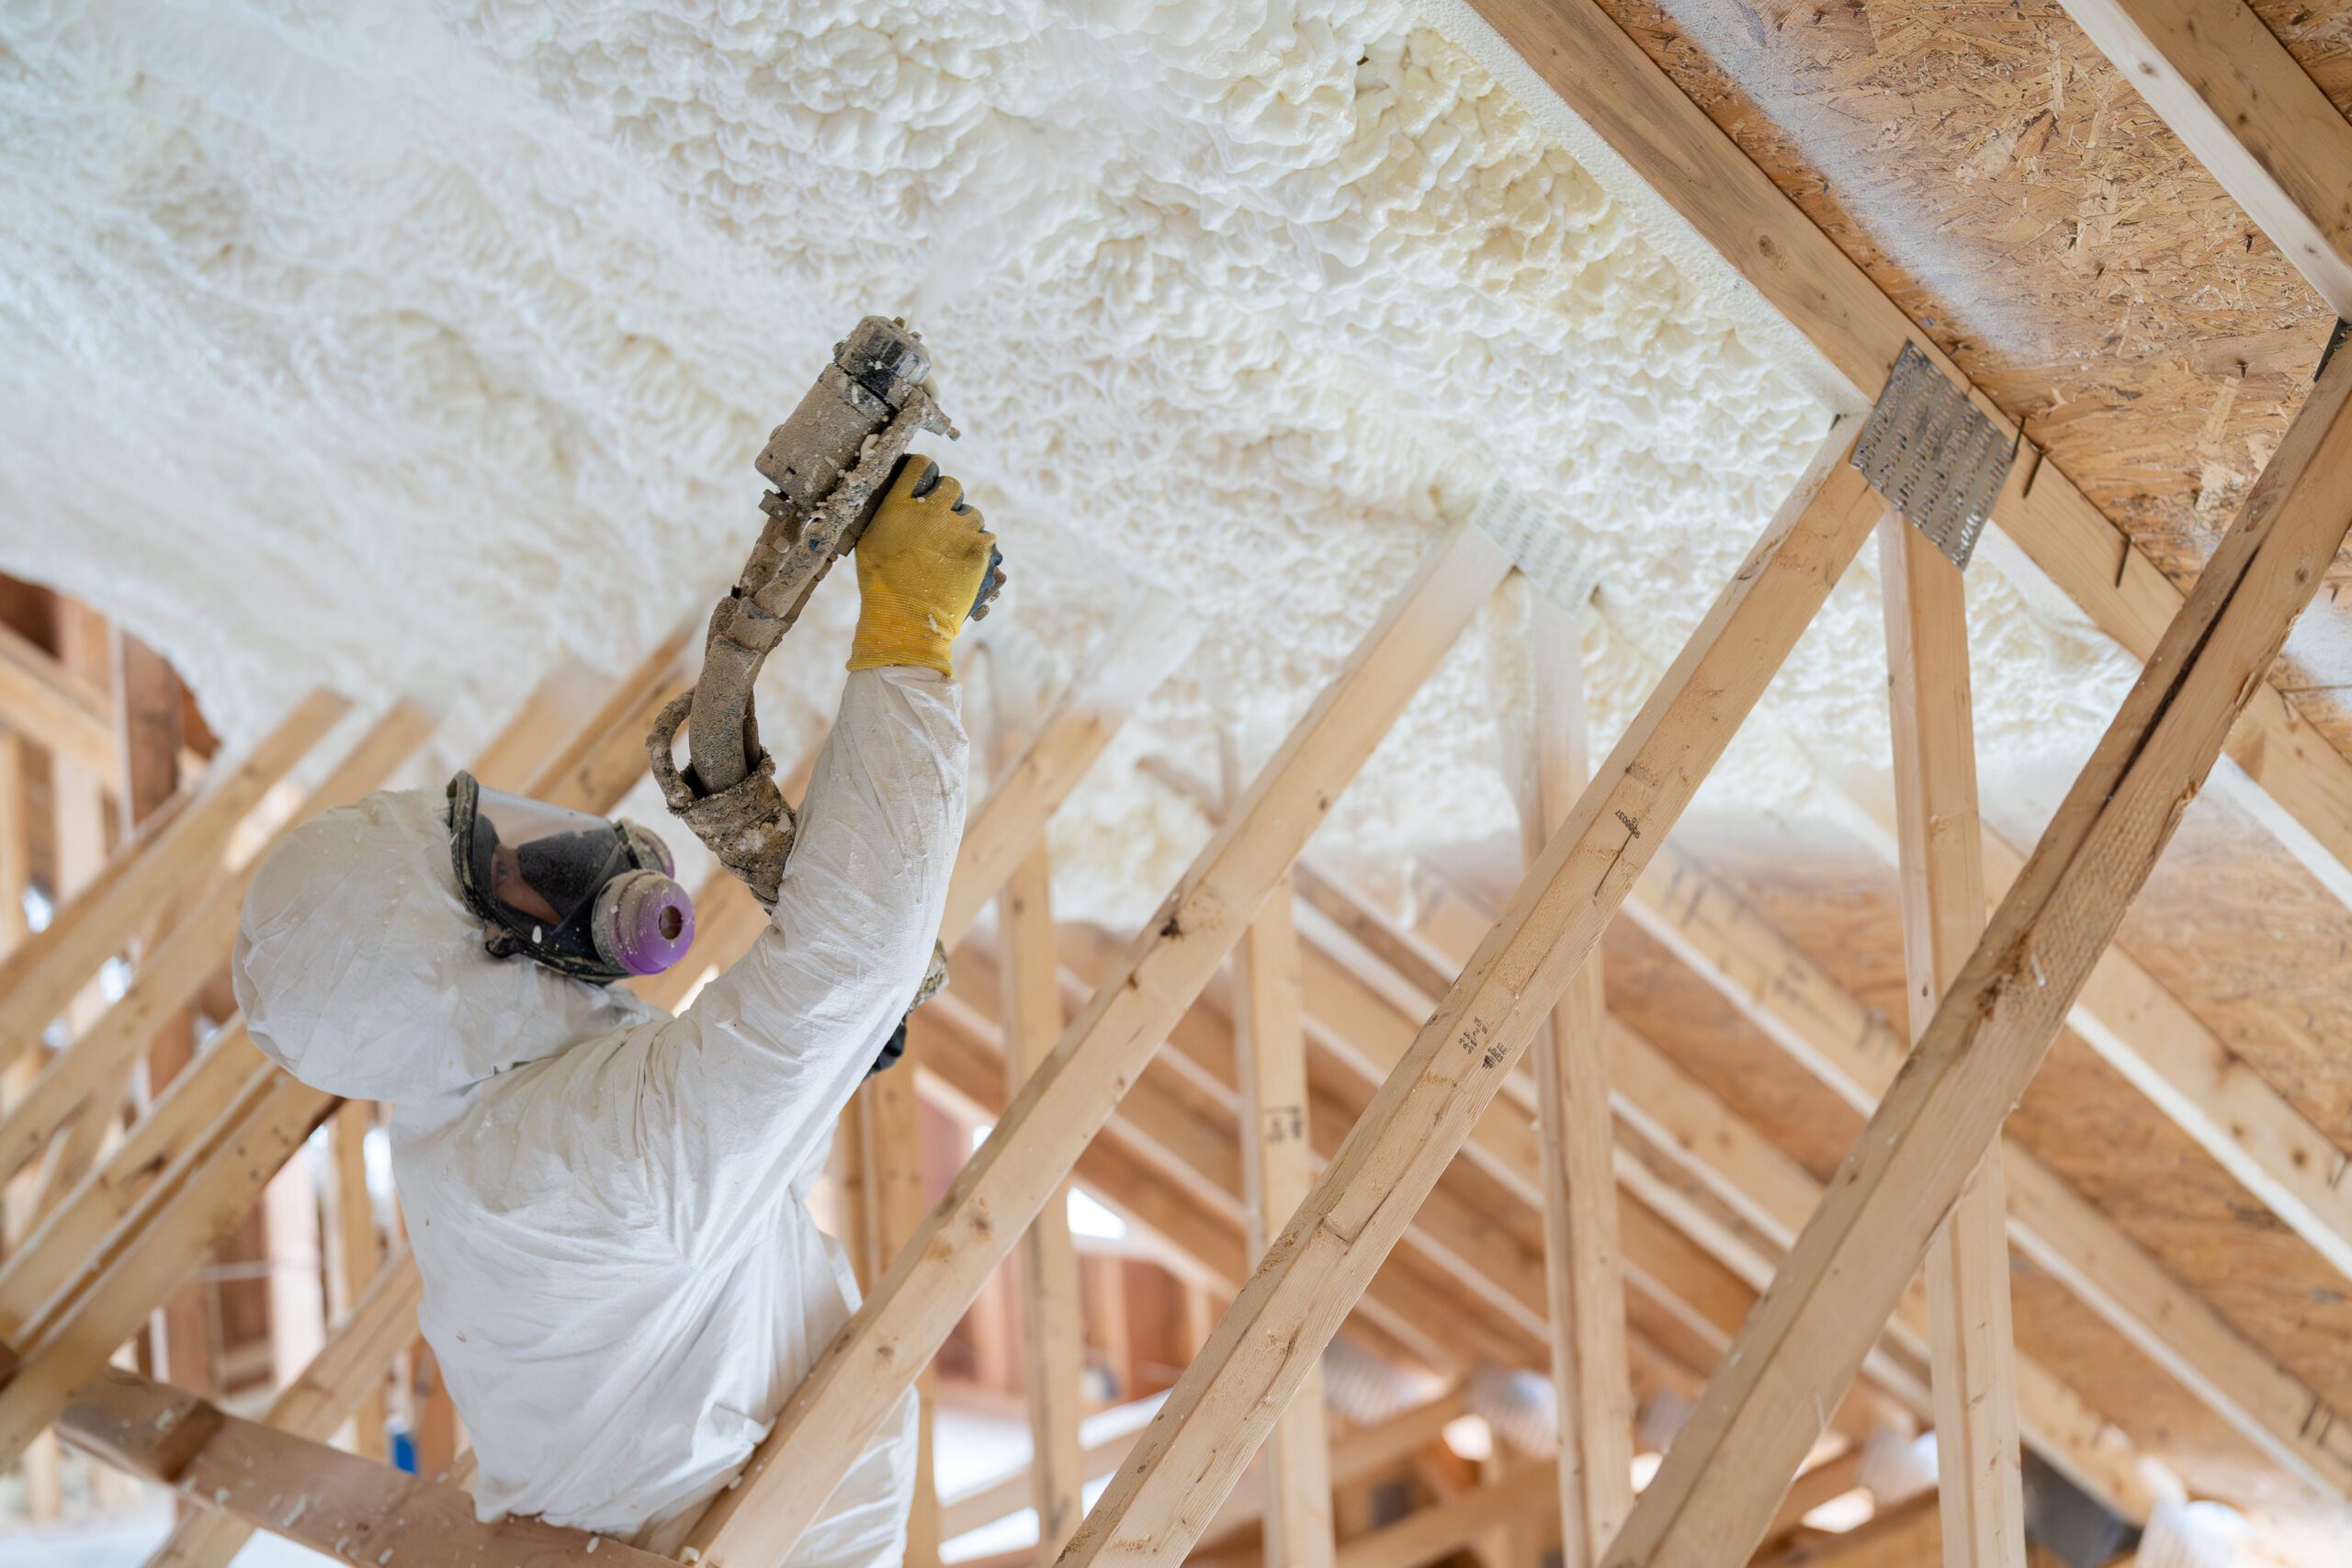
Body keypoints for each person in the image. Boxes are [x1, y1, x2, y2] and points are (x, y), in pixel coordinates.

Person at [232, 460, 997, 1564]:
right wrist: (908, 642)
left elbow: (682, 1235)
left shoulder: (474, 1125)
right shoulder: (586, 1159)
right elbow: (855, 958)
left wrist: (795, 1093)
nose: (555, 863)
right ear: (460, 967)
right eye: (506, 879)